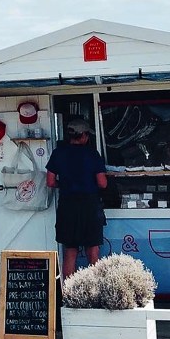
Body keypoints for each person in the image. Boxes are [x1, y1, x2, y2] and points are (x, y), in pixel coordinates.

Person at [46, 116, 107, 279]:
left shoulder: (58, 153)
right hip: (90, 206)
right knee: (92, 251)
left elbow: (50, 182)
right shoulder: (92, 154)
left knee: (70, 252)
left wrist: (65, 185)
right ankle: (96, 294)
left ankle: (69, 296)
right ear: (84, 135)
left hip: (67, 206)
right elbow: (102, 183)